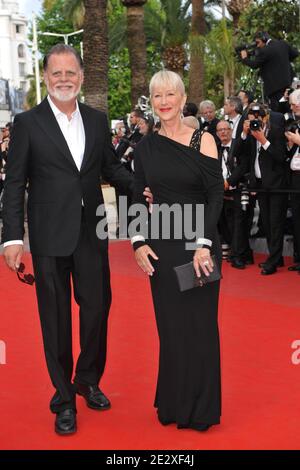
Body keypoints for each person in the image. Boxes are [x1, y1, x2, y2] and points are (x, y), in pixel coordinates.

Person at [2, 44, 135, 435]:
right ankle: (63, 399)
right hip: (47, 236)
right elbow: (14, 185)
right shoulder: (28, 123)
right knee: (56, 320)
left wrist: (147, 185)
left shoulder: (96, 120)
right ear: (46, 77)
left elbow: (111, 168)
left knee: (96, 309)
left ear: (81, 77)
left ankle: (87, 379)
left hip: (92, 232)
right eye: (56, 73)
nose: (64, 79)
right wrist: (13, 237)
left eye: (70, 73)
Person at [131, 70, 224, 431]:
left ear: (183, 98)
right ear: (151, 103)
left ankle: (201, 410)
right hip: (163, 246)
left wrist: (203, 244)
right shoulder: (144, 148)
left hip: (199, 245)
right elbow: (138, 196)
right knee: (170, 328)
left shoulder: (203, 140)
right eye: (158, 96)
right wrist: (138, 241)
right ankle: (172, 402)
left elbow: (216, 195)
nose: (165, 101)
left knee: (199, 326)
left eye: (171, 94)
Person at [240, 31, 299, 112]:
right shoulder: (283, 43)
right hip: (290, 84)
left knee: (279, 113)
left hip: (274, 89)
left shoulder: (265, 50)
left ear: (264, 39)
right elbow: (295, 53)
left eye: (258, 42)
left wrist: (244, 58)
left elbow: (254, 65)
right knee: (292, 109)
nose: (257, 45)